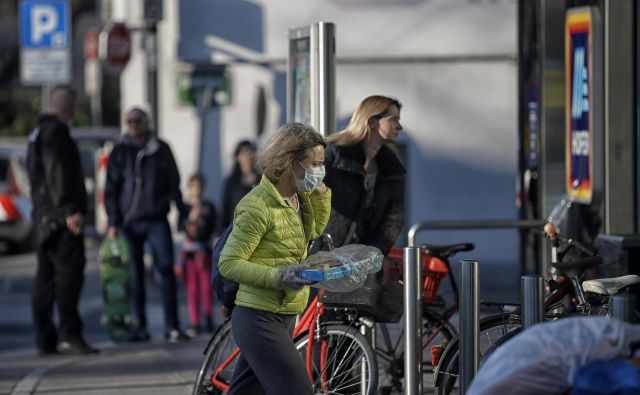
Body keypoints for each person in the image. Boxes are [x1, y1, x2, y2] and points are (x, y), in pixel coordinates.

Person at [219, 122, 331, 394]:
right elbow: (228, 263)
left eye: (321, 163)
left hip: (285, 312)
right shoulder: (257, 206)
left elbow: (315, 230)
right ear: (291, 162)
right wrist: (279, 276)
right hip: (258, 317)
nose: (320, 170)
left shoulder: (298, 198)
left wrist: (321, 194)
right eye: (314, 163)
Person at [104, 107, 189, 343]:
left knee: (165, 270)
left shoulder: (160, 149)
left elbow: (174, 183)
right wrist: (112, 221)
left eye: (137, 121)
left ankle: (172, 325)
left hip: (156, 219)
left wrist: (182, 213)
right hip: (128, 223)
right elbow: (110, 189)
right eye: (129, 121)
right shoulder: (119, 152)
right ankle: (139, 325)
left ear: (146, 122)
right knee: (135, 275)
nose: (133, 125)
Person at [26, 86, 99, 355]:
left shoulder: (37, 133)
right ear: (68, 108)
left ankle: (45, 339)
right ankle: (70, 334)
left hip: (44, 217)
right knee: (68, 277)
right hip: (61, 219)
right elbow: (56, 170)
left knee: (45, 278)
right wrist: (70, 209)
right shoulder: (56, 132)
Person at [323, 95, 405, 255]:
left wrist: (372, 255)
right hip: (321, 258)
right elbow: (302, 196)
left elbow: (395, 218)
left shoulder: (392, 168)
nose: (399, 126)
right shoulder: (332, 154)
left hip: (360, 265)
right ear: (372, 122)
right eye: (393, 119)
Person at [176, 173, 217, 336]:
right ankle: (195, 322)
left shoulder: (208, 207)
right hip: (190, 255)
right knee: (192, 289)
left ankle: (208, 318)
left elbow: (213, 227)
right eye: (193, 187)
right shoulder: (185, 208)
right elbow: (181, 227)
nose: (196, 190)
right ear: (189, 188)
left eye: (199, 187)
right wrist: (191, 219)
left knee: (206, 287)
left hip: (204, 253)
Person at [221, 140, 258, 228]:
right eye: (244, 152)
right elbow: (225, 209)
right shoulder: (231, 183)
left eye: (251, 151)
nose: (248, 155)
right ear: (237, 157)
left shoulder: (263, 179)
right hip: (237, 231)